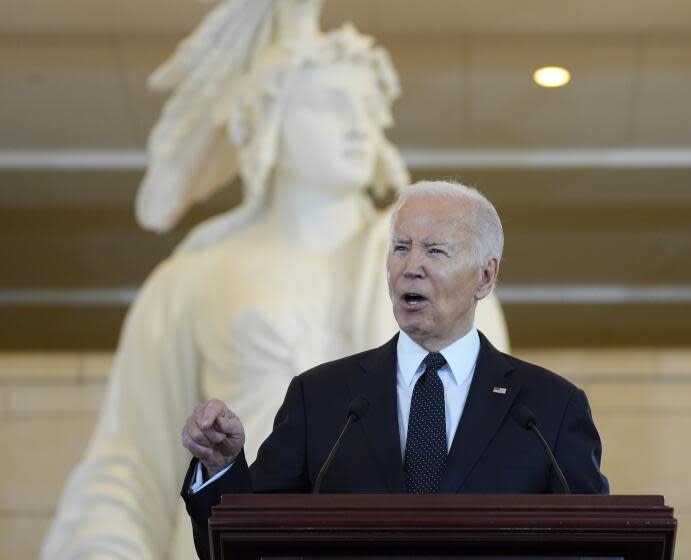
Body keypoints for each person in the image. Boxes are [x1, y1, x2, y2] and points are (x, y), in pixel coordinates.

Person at [42, 3, 510, 559]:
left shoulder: (441, 276)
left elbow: (489, 444)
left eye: (370, 105)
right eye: (333, 105)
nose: (362, 124)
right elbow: (128, 465)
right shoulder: (193, 280)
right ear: (268, 117)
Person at [180, 181, 609, 560]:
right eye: (401, 248)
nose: (410, 266)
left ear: (484, 276)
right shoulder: (322, 397)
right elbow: (249, 542)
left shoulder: (548, 408)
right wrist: (221, 469)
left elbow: (594, 547)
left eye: (435, 251)